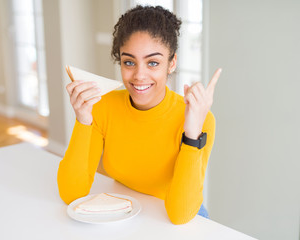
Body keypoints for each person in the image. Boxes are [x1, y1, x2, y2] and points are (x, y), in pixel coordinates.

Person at [57, 5, 221, 225]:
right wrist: (83, 120)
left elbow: (180, 215)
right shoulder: (103, 106)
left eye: (153, 62)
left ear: (171, 63)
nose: (139, 75)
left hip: (182, 218)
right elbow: (71, 195)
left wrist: (192, 133)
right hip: (128, 213)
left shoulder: (200, 118)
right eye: (129, 62)